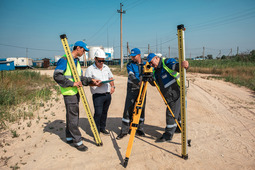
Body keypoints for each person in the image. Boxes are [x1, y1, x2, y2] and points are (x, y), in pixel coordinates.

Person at [53, 41, 100, 152]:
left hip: (75, 92)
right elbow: (57, 75)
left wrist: (91, 81)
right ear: (78, 48)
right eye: (83, 50)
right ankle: (78, 142)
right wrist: (72, 84)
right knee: (74, 117)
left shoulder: (76, 62)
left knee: (71, 116)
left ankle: (69, 137)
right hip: (69, 92)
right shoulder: (65, 60)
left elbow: (80, 78)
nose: (84, 53)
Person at [147, 53, 189, 143]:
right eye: (149, 64)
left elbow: (175, 66)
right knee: (177, 113)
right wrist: (149, 78)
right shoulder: (155, 70)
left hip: (176, 92)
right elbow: (155, 84)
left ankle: (168, 135)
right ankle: (179, 127)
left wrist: (181, 65)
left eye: (151, 62)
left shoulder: (166, 62)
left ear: (156, 58)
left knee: (170, 114)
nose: (151, 65)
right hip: (169, 95)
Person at [116, 48, 146, 140]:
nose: (132, 58)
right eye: (131, 56)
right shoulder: (130, 64)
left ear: (139, 55)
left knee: (141, 108)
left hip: (143, 89)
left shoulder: (146, 64)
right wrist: (138, 82)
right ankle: (125, 130)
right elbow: (131, 75)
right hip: (132, 88)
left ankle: (139, 128)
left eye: (134, 56)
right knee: (128, 108)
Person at [85, 49, 115, 135]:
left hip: (107, 94)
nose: (101, 62)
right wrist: (94, 84)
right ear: (95, 59)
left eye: (103, 60)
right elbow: (87, 82)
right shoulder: (90, 69)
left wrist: (112, 86)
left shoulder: (106, 67)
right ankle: (96, 131)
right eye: (100, 60)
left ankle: (102, 128)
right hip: (97, 95)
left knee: (104, 113)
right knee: (98, 113)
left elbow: (110, 78)